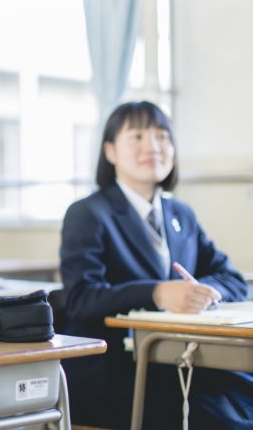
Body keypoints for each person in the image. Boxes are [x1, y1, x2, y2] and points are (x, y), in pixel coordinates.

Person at [60, 101, 251, 430]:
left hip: (186, 361)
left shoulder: (180, 214)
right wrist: (158, 294)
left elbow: (233, 279)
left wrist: (201, 293)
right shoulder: (88, 213)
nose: (153, 146)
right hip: (119, 373)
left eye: (163, 136)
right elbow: (81, 299)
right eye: (136, 136)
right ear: (110, 151)